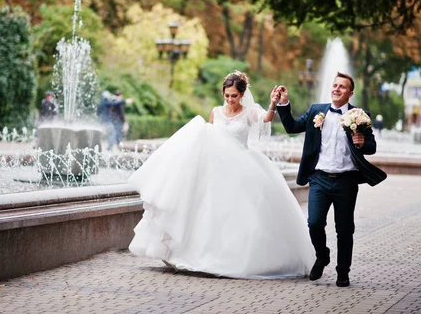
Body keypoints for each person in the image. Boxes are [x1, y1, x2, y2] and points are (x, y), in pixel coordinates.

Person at [128, 71, 315, 279]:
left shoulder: (249, 112)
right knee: (205, 212)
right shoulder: (216, 112)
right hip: (213, 171)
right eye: (226, 95)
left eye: (234, 96)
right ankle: (193, 254)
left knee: (233, 216)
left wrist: (273, 104)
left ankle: (231, 258)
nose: (229, 99)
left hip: (240, 170)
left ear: (242, 94)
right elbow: (207, 138)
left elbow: (266, 118)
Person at [275, 72, 386, 287]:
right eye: (335, 85)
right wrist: (284, 103)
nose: (336, 89)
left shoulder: (360, 116)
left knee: (344, 229)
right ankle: (322, 255)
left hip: (346, 181)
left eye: (342, 87)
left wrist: (362, 142)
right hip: (319, 178)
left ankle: (343, 271)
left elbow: (371, 147)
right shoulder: (317, 111)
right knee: (314, 223)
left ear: (350, 92)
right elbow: (291, 128)